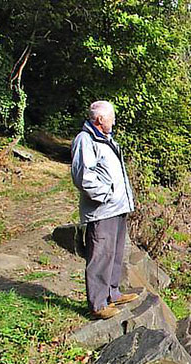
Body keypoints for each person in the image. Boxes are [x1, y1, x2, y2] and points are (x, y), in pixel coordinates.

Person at [71, 100, 137, 319]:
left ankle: (113, 293)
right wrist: (105, 196)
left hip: (117, 208)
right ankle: (98, 304)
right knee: (100, 255)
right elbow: (83, 176)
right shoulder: (85, 140)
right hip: (103, 209)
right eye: (111, 117)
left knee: (115, 254)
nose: (114, 121)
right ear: (100, 119)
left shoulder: (107, 140)